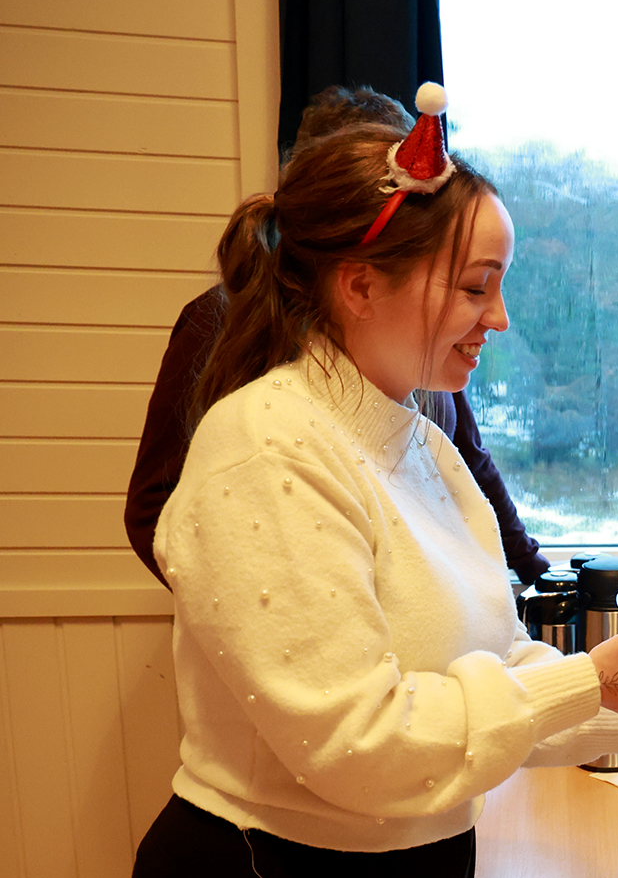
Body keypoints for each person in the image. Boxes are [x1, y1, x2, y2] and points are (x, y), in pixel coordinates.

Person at [114, 93, 618, 878]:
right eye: (478, 287)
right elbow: (360, 745)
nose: (498, 321)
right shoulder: (266, 451)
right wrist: (585, 682)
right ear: (359, 284)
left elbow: (486, 669)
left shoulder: (420, 442)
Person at [123, 86, 552, 590]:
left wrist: (533, 572)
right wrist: (242, 593)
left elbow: (469, 463)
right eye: (473, 287)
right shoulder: (259, 426)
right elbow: (156, 505)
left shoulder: (423, 408)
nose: (497, 319)